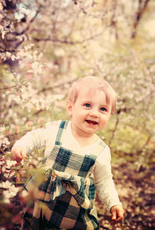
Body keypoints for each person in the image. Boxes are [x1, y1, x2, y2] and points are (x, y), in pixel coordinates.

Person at [11, 76, 124, 230]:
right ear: (71, 108)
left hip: (73, 213)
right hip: (41, 200)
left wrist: (113, 202)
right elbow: (34, 137)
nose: (95, 113)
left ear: (110, 115)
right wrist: (20, 146)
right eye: (87, 105)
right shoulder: (56, 130)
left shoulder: (101, 150)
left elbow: (104, 181)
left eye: (103, 109)